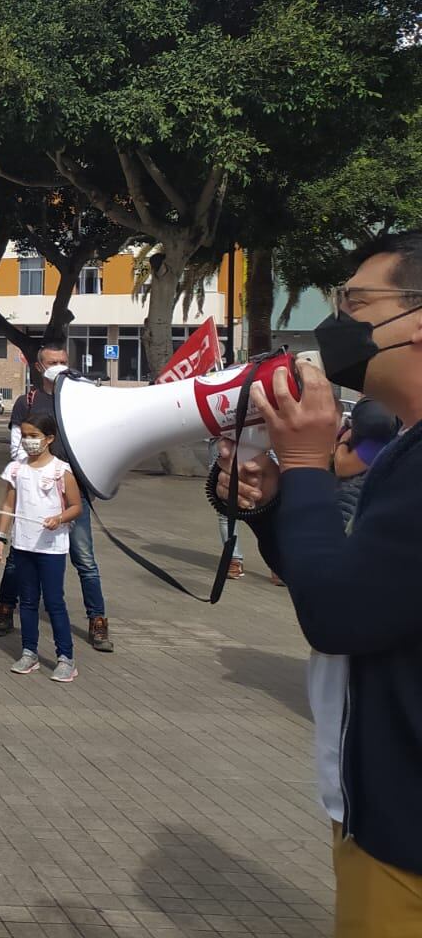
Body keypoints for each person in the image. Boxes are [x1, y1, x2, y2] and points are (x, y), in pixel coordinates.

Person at [217, 231, 422, 934]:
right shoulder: (406, 447)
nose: (339, 323)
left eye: (357, 302)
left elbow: (338, 617)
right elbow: (355, 586)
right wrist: (279, 503)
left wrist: (304, 462)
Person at [0, 340, 114, 653]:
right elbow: (17, 449)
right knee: (19, 557)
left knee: (85, 560)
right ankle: (5, 610)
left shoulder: (81, 399)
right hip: (32, 495)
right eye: (52, 361)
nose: (59, 366)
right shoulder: (27, 400)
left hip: (72, 494)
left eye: (63, 360)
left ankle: (97, 620)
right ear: (39, 366)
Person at [0, 413, 81, 683]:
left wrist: (60, 519)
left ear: (49, 439)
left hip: (52, 547)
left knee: (54, 601)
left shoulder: (60, 470)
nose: (29, 441)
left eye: (34, 436)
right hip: (23, 545)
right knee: (27, 601)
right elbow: (8, 505)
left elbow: (76, 506)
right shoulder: (16, 469)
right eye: (25, 436)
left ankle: (66, 657)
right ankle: (29, 652)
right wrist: (0, 536)